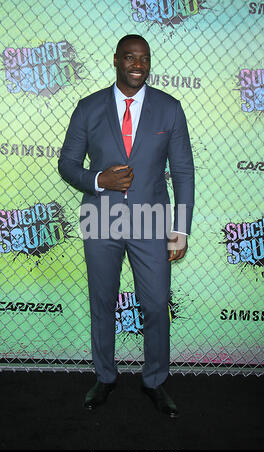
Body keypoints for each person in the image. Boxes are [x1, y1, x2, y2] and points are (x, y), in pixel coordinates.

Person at [58, 34, 194, 418]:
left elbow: (183, 170)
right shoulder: (88, 108)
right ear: (117, 59)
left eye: (145, 59)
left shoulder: (169, 109)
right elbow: (67, 164)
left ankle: (155, 380)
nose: (139, 64)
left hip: (151, 222)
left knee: (154, 303)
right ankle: (105, 376)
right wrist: (101, 180)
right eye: (131, 57)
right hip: (100, 217)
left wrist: (180, 227)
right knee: (102, 302)